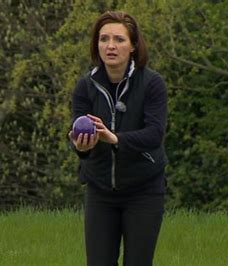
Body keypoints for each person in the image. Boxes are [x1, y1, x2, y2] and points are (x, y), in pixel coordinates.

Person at [69, 11, 168, 266]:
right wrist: (82, 146)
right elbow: (79, 141)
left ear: (133, 45)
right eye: (103, 39)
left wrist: (115, 139)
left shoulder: (152, 84)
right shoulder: (85, 86)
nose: (110, 46)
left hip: (144, 191)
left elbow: (154, 135)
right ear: (96, 45)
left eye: (119, 39)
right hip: (100, 191)